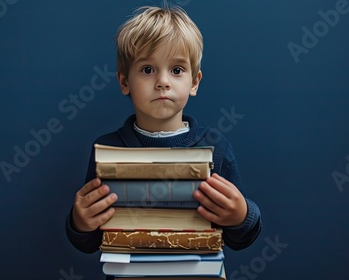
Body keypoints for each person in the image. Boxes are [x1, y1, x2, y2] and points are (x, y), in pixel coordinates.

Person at [65, 5, 262, 276]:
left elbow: (241, 237)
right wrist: (79, 222)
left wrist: (241, 215)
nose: (162, 82)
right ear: (125, 82)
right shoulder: (108, 151)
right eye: (147, 69)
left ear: (194, 82)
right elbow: (90, 241)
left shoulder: (215, 148)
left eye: (177, 69)